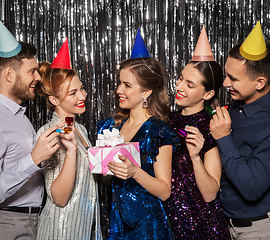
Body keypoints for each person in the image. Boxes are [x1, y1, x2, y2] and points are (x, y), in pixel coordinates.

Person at [0, 20, 60, 239]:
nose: (38, 78)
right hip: (4, 225)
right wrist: (34, 159)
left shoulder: (18, 114)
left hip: (31, 221)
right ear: (9, 75)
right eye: (32, 72)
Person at [210, 22, 270, 239]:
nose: (225, 83)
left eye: (233, 79)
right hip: (227, 226)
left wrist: (223, 137)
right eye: (226, 74)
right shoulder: (238, 105)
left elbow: (252, 190)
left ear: (260, 82)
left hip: (264, 231)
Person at [98, 29, 177, 239]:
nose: (118, 90)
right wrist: (104, 169)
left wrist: (135, 172)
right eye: (119, 83)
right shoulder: (112, 126)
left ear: (146, 92)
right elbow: (108, 182)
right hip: (117, 224)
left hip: (147, 227)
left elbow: (164, 191)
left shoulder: (157, 131)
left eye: (127, 85)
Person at [164, 26, 230, 239]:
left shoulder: (212, 127)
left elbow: (210, 194)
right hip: (168, 223)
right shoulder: (166, 121)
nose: (179, 86)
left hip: (202, 227)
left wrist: (195, 157)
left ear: (208, 93)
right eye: (180, 78)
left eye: (189, 84)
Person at [35, 40, 101, 239]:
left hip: (85, 228)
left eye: (81, 89)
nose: (83, 95)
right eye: (73, 93)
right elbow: (60, 198)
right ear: (54, 100)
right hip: (62, 231)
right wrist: (71, 151)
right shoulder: (48, 133)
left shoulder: (80, 128)